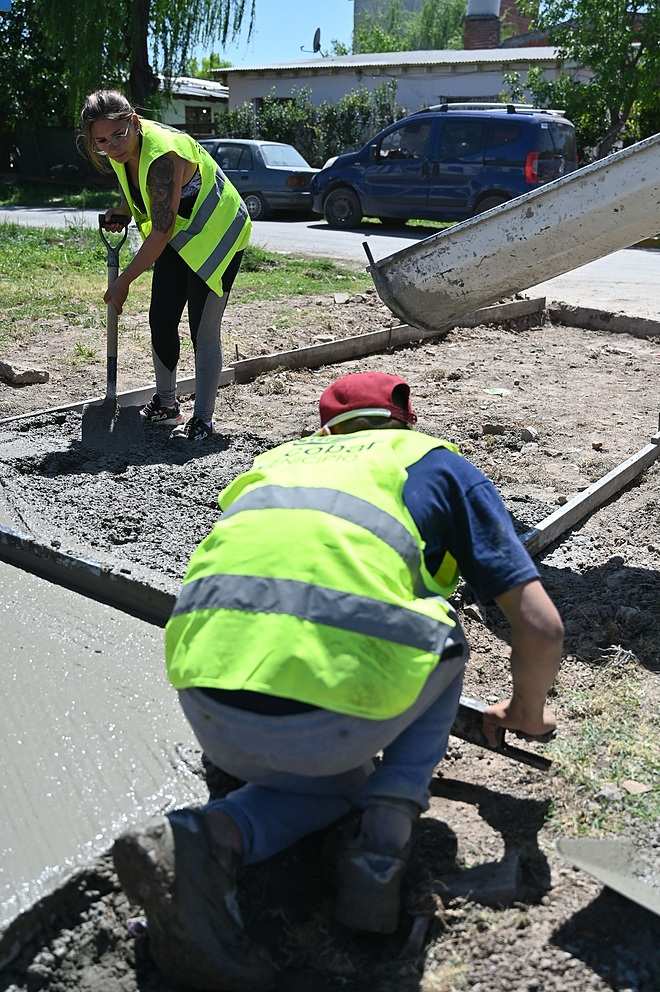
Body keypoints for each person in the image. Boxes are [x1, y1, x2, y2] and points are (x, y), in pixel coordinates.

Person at [113, 371, 563, 990]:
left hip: (207, 701)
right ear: (406, 422)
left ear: (324, 429)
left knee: (338, 784)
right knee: (445, 637)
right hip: (325, 723)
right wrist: (528, 713)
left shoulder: (275, 464)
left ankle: (205, 836)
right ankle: (383, 845)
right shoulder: (433, 462)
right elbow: (541, 628)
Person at [79, 90, 250, 443]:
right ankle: (168, 405)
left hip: (217, 234)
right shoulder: (119, 150)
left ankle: (203, 419)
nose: (112, 145)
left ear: (135, 122)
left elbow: (159, 231)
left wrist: (124, 280)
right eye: (101, 141)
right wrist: (124, 211)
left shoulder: (162, 156)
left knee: (202, 329)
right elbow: (140, 192)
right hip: (180, 234)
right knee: (161, 317)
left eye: (118, 135)